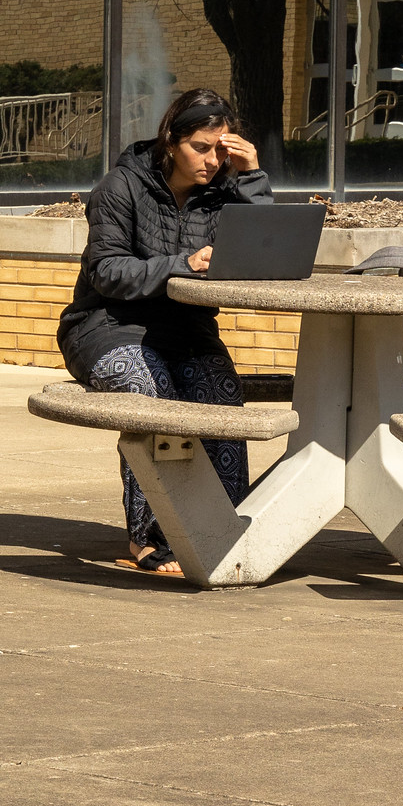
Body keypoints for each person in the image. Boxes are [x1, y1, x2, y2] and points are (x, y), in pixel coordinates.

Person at [56, 87, 272, 577]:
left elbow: (265, 250)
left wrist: (252, 175)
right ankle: (149, 537)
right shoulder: (121, 187)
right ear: (171, 141)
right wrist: (183, 264)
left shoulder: (224, 194)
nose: (212, 160)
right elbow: (106, 270)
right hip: (106, 328)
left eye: (223, 149)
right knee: (151, 390)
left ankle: (224, 525)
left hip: (187, 330)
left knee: (221, 397)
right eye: (202, 147)